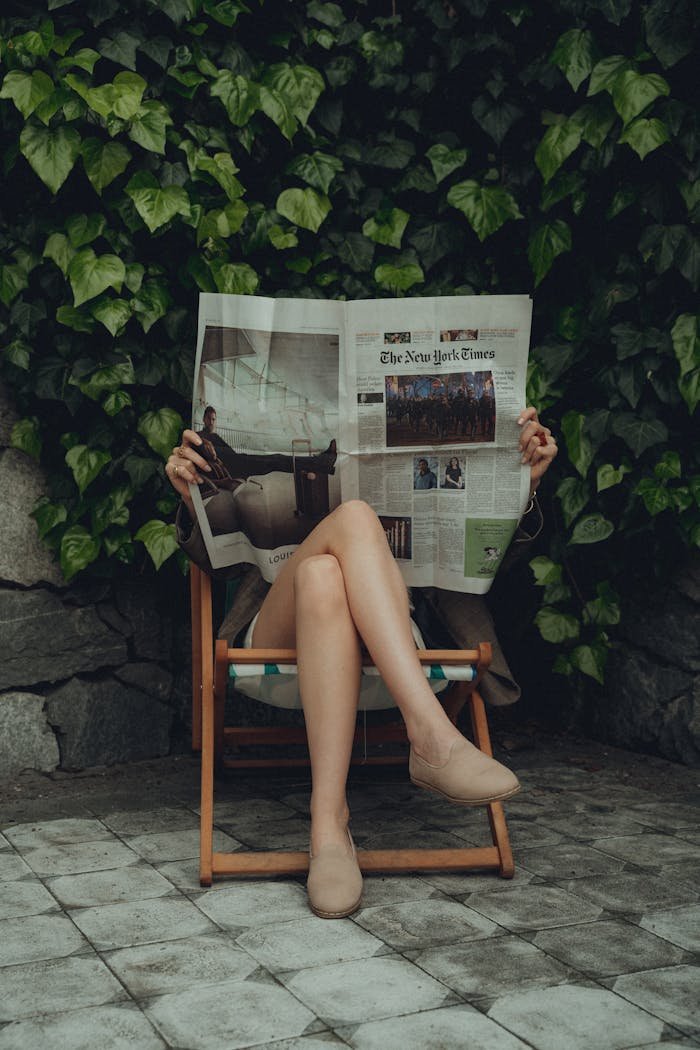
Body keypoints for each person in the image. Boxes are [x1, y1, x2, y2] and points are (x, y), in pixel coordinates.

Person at [167, 407, 557, 918]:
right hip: (279, 621)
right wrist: (194, 493)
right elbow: (220, 553)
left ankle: (328, 828)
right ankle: (433, 738)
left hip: (394, 624)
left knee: (325, 575)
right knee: (350, 520)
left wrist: (519, 484)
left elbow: (481, 561)